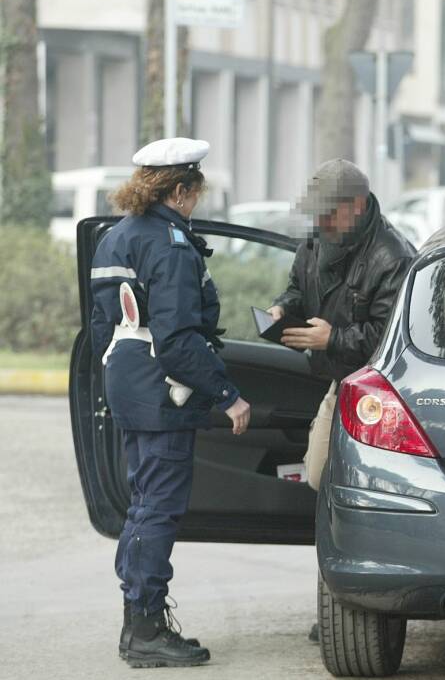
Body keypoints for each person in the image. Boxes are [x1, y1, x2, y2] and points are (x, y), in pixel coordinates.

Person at [90, 137, 251, 668]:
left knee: (142, 504)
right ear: (180, 191)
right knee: (157, 509)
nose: (195, 204)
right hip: (163, 391)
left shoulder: (116, 238)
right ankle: (145, 628)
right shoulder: (171, 245)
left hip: (129, 386)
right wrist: (227, 395)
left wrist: (120, 377)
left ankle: (138, 622)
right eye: (196, 194)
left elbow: (99, 327)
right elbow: (179, 338)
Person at [267, 158, 414, 641]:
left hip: (378, 396)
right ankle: (347, 600)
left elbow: (391, 339)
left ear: (356, 206)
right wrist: (281, 309)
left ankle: (351, 605)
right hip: (338, 383)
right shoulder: (316, 240)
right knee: (318, 476)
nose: (320, 224)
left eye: (328, 214)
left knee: (345, 491)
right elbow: (297, 289)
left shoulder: (393, 256)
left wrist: (332, 340)